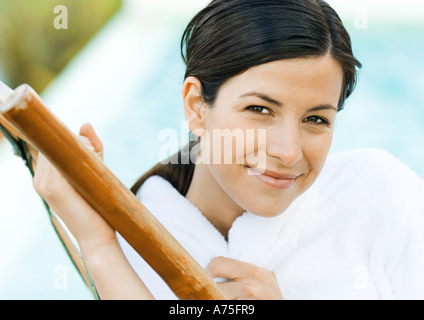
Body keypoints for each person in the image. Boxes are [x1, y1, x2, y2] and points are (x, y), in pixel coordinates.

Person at [33, 0, 424, 300]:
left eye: (316, 119)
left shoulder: (382, 201)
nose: (288, 152)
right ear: (195, 106)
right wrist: (98, 244)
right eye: (259, 110)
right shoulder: (131, 247)